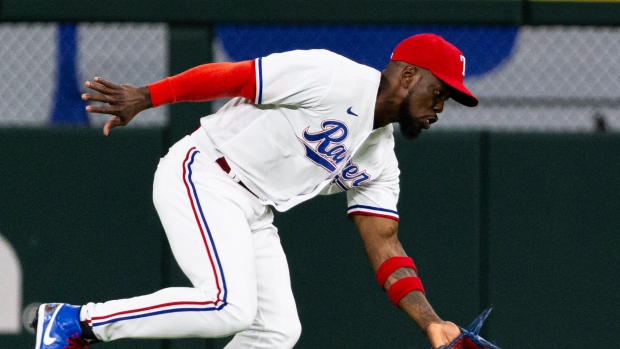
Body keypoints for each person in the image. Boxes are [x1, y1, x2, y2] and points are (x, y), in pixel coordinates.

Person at [32, 33, 478, 349]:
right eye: (438, 92)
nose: (439, 108)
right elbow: (233, 76)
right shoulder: (333, 77)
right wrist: (148, 96)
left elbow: (386, 248)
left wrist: (431, 323)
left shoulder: (380, 160)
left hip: (254, 209)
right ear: (406, 75)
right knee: (229, 307)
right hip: (206, 171)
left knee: (278, 330)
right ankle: (75, 321)